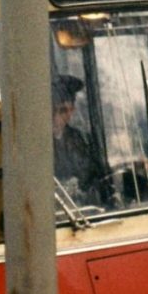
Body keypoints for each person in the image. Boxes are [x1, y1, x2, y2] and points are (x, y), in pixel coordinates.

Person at [52, 74, 109, 205]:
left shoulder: (81, 140)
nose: (60, 117)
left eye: (67, 111)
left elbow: (97, 175)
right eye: (59, 110)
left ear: (72, 110)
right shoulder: (37, 143)